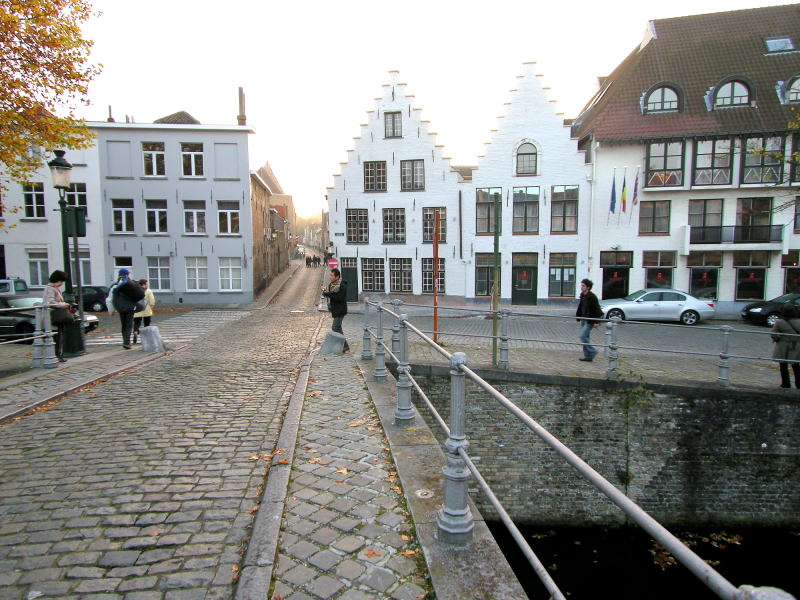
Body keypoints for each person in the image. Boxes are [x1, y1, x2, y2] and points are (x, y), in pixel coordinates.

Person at [42, 270, 70, 362]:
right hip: (54, 317)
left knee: (59, 337)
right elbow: (50, 302)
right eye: (61, 281)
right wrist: (63, 304)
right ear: (57, 280)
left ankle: (58, 355)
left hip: (56, 317)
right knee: (56, 337)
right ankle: (56, 356)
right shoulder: (50, 289)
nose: (61, 284)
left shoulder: (55, 288)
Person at [771, 303, 800, 388]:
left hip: (783, 346)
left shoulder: (779, 322)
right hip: (796, 346)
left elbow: (774, 334)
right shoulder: (799, 321)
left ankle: (785, 384)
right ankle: (799, 384)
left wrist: (777, 338)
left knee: (783, 366)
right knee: (796, 366)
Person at [321, 267, 349, 353]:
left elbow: (339, 298)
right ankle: (344, 346)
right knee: (338, 327)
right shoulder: (331, 285)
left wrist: (328, 294)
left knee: (335, 327)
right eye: (330, 275)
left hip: (340, 309)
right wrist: (325, 292)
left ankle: (345, 345)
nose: (330, 277)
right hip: (335, 309)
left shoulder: (342, 286)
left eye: (332, 275)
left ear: (337, 277)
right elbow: (331, 295)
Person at [575, 278, 603, 362]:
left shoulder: (592, 297)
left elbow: (597, 309)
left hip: (590, 320)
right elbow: (581, 307)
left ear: (588, 287)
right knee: (586, 337)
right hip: (584, 319)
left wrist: (596, 321)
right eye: (581, 285)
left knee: (582, 336)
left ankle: (593, 351)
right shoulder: (583, 295)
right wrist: (579, 316)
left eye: (583, 286)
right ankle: (588, 356)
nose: (581, 287)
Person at [109, 268, 137, 349]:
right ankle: (127, 343)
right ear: (127, 274)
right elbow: (136, 295)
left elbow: (110, 299)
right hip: (130, 307)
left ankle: (125, 341)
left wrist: (111, 310)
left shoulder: (115, 286)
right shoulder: (131, 284)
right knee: (128, 325)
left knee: (124, 325)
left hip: (120, 308)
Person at [132, 278, 156, 344]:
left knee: (137, 323)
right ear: (144, 284)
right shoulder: (148, 291)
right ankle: (146, 338)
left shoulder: (135, 291)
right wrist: (150, 307)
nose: (147, 284)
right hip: (146, 310)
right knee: (147, 323)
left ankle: (135, 332)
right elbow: (152, 301)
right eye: (147, 283)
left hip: (137, 310)